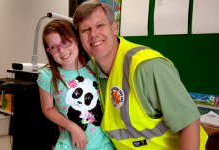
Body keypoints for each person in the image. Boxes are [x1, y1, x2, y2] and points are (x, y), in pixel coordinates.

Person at [73, 1, 208, 150]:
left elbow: (188, 123)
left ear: (114, 28)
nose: (93, 34)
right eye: (85, 30)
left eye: (100, 25)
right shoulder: (91, 73)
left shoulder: (148, 66)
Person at [37, 19, 114, 150]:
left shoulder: (95, 66)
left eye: (66, 42)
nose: (62, 51)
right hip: (70, 145)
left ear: (76, 39)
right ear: (48, 51)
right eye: (54, 47)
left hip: (103, 143)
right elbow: (48, 108)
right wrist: (72, 127)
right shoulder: (47, 75)